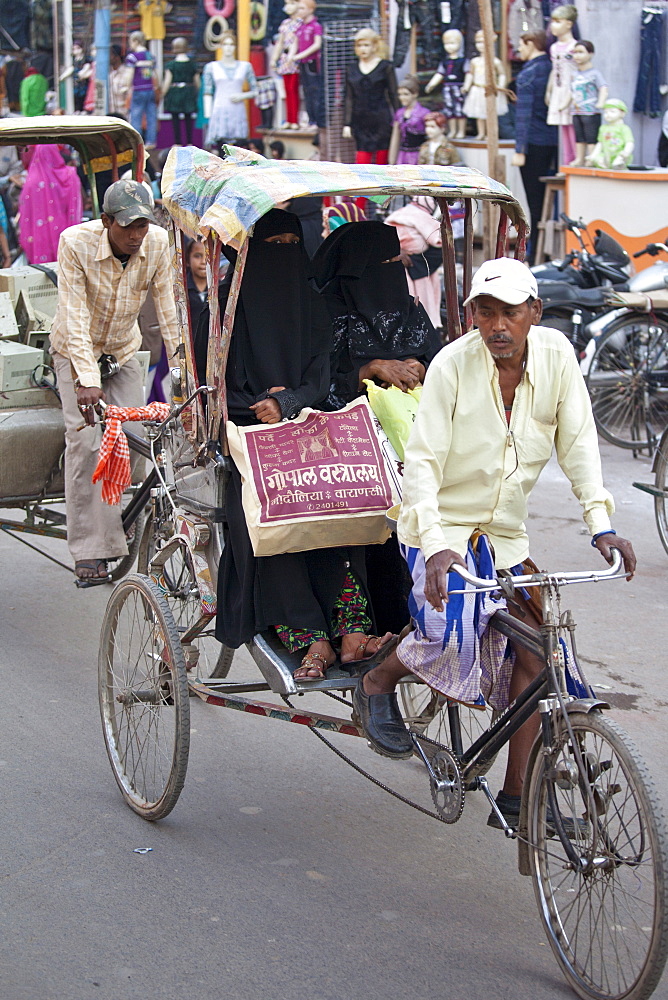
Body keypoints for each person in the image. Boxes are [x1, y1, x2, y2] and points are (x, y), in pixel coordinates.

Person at [352, 257, 636, 831]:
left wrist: (599, 521)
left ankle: (516, 792)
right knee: (452, 631)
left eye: (511, 312)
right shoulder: (453, 365)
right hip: (442, 528)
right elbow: (424, 462)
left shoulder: (557, 357)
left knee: (539, 650)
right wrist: (433, 545)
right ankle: (380, 677)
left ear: (534, 312)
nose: (499, 325)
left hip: (504, 533)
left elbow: (578, 441)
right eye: (487, 312)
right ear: (472, 315)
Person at [212, 209, 389, 678]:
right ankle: (310, 636)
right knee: (274, 520)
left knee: (336, 511)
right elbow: (212, 382)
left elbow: (320, 373)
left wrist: (290, 401)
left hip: (308, 425)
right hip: (247, 439)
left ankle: (352, 629)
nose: (284, 257)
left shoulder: (311, 305)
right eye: (274, 247)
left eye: (294, 245)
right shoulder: (225, 307)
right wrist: (256, 408)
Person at [49, 179, 179, 585]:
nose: (136, 235)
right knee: (88, 441)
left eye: (142, 226)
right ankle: (91, 548)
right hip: (75, 351)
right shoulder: (75, 242)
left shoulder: (157, 243)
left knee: (137, 435)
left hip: (122, 351)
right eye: (127, 227)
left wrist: (182, 372)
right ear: (106, 221)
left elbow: (168, 310)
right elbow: (72, 314)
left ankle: (120, 517)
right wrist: (86, 379)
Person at [311, 220, 441, 411]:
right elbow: (314, 390)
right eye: (385, 262)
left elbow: (442, 368)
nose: (393, 269)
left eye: (396, 261)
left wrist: (418, 369)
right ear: (355, 267)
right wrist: (368, 371)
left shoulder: (410, 308)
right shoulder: (327, 315)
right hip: (351, 428)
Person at [511, 30, 558, 266]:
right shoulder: (552, 66)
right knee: (549, 202)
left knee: (535, 203)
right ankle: (543, 252)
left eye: (521, 44)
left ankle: (535, 254)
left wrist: (519, 149)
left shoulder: (529, 73)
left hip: (534, 142)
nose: (518, 49)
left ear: (531, 43)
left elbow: (523, 116)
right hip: (555, 140)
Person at [384, 196, 442, 330]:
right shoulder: (424, 218)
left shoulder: (396, 215)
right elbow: (439, 241)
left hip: (406, 269)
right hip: (409, 271)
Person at [18, 145, 83, 265]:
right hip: (65, 235)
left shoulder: (31, 181)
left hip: (38, 241)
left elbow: (26, 217)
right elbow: (74, 210)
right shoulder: (69, 175)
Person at [342, 28, 399, 165]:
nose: (363, 49)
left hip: (381, 117)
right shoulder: (351, 68)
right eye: (359, 45)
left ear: (374, 46)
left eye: (366, 45)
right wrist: (347, 123)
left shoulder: (386, 67)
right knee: (362, 159)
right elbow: (348, 97)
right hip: (360, 119)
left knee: (382, 159)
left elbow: (393, 94)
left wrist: (399, 117)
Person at [202, 31, 257, 146]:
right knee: (220, 147)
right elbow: (207, 92)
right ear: (221, 46)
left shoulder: (245, 66)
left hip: (237, 110)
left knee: (238, 147)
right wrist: (208, 115)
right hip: (220, 110)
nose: (228, 48)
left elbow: (255, 90)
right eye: (226, 44)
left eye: (231, 44)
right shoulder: (211, 67)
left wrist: (243, 95)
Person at [569, 40, 607, 166]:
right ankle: (580, 158)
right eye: (575, 52)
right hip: (576, 110)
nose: (577, 56)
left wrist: (601, 102)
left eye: (581, 52)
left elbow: (603, 88)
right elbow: (571, 92)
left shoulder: (595, 74)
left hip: (591, 110)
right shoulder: (574, 74)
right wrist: (564, 104)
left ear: (590, 54)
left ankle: (592, 157)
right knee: (579, 136)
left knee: (591, 137)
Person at [162, 36, 200, 146]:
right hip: (188, 92)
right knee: (188, 118)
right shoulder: (192, 64)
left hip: (175, 93)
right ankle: (189, 141)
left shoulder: (171, 65)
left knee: (175, 118)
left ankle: (177, 142)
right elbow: (197, 82)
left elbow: (167, 81)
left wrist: (162, 94)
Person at [126, 30, 160, 149]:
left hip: (138, 89)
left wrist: (126, 86)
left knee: (136, 116)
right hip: (150, 89)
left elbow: (130, 74)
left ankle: (137, 142)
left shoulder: (132, 57)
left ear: (135, 41)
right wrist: (157, 86)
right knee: (151, 116)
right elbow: (155, 74)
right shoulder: (150, 56)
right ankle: (151, 141)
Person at [388, 76, 429, 166]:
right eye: (400, 94)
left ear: (415, 94)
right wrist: (392, 160)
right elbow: (395, 137)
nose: (402, 97)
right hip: (402, 155)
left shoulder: (423, 113)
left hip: (418, 155)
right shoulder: (399, 113)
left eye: (406, 94)